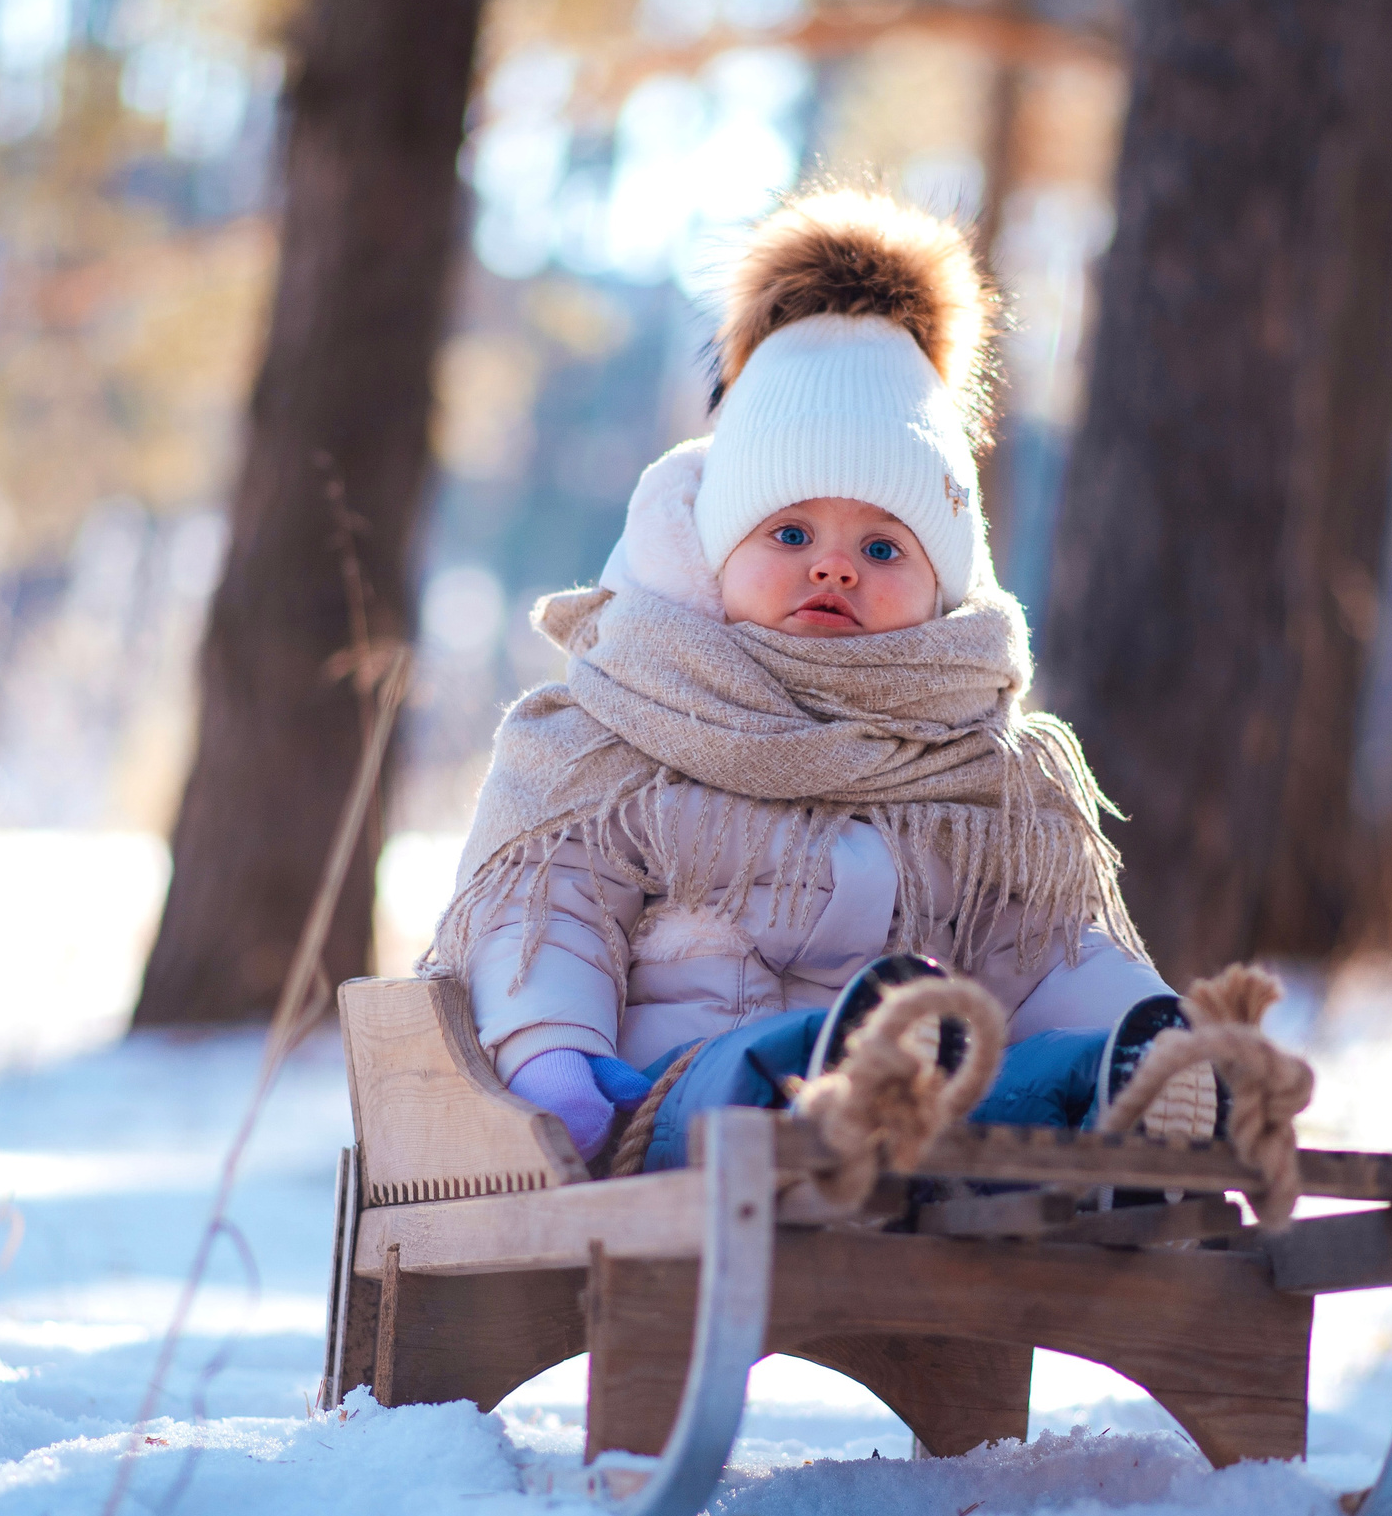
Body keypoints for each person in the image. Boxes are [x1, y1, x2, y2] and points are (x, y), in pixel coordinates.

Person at [420, 188, 1222, 1171]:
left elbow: (1046, 953)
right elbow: (549, 918)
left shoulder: (971, 768)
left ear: (941, 586)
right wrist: (554, 1060)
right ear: (715, 551)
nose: (834, 567)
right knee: (767, 1068)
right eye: (790, 533)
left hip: (913, 1129)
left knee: (1013, 1078)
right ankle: (854, 1058)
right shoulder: (619, 732)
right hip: (672, 1108)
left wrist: (1156, 1026)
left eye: (883, 547)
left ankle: (1118, 1093)